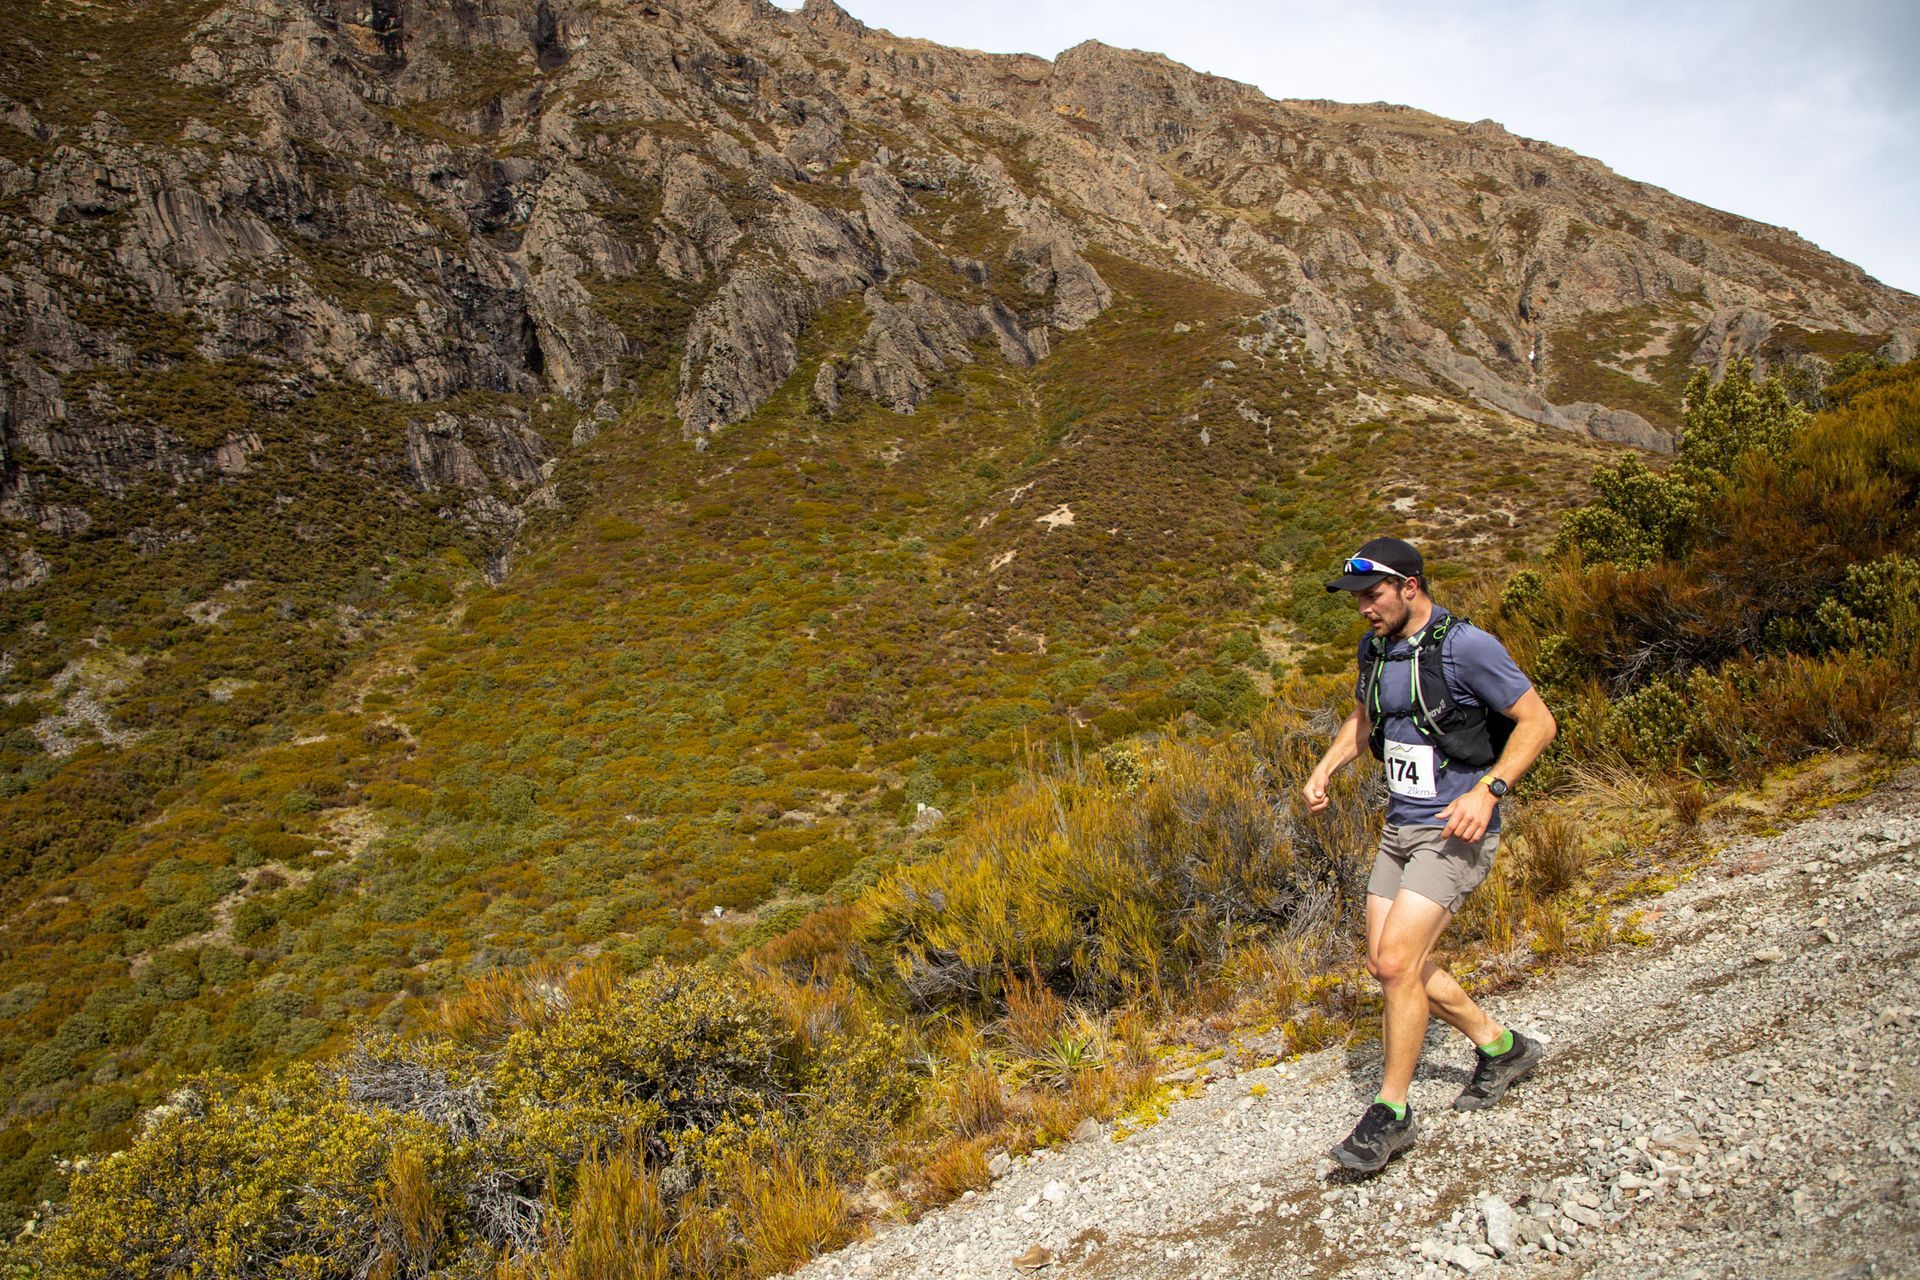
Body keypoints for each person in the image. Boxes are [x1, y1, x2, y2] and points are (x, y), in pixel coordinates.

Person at [1303, 537, 1558, 1173]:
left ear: (1410, 586)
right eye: (1357, 598)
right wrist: (1328, 766)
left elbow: (1538, 723)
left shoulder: (1466, 647)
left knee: (1396, 962)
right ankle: (1501, 1047)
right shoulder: (1376, 648)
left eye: (1373, 594)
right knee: (1388, 965)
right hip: (1401, 828)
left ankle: (1391, 1113)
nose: (1363, 607)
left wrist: (1489, 790)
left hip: (1457, 829)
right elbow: (1364, 720)